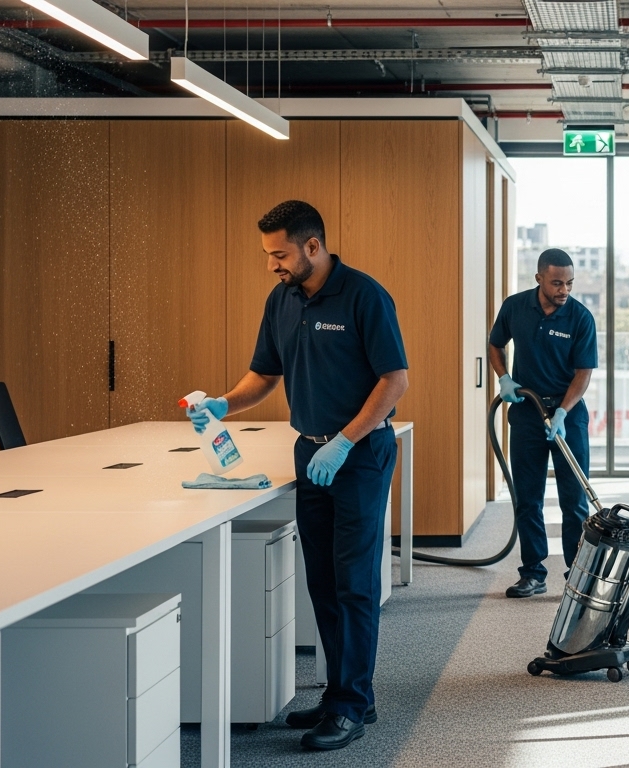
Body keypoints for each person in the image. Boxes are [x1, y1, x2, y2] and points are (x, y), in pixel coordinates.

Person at [184, 200, 408, 751]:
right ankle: (345, 694)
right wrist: (222, 404)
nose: (272, 265)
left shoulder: (364, 295)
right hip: (311, 454)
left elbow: (394, 381)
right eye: (267, 255)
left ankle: (352, 705)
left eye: (279, 254)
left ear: (313, 246)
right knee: (322, 584)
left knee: (354, 583)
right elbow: (264, 374)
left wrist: (346, 440)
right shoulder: (281, 299)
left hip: (356, 454)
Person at [488, 248, 598, 598]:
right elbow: (495, 344)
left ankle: (576, 574)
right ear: (539, 279)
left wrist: (564, 412)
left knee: (574, 501)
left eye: (569, 283)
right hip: (527, 412)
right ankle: (533, 572)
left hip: (568, 415)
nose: (564, 290)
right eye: (556, 283)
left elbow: (583, 373)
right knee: (528, 498)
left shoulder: (580, 318)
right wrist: (504, 378)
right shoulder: (516, 307)